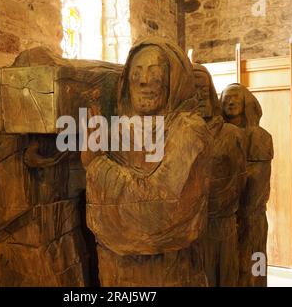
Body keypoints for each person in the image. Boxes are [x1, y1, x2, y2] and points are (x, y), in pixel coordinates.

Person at [82, 37, 213, 286]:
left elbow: (161, 209)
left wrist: (97, 165)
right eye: (137, 73)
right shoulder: (124, 130)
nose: (144, 81)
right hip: (117, 271)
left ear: (173, 80)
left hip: (167, 273)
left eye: (155, 73)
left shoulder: (188, 130)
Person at [193, 65, 246, 287]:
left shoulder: (232, 135)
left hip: (222, 221)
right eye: (192, 89)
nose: (199, 94)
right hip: (191, 226)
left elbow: (240, 180)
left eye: (203, 88)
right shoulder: (175, 135)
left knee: (225, 274)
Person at [221, 83, 274, 287]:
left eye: (235, 97)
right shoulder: (219, 136)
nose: (231, 102)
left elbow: (256, 181)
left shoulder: (260, 136)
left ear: (246, 102)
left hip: (251, 219)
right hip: (226, 220)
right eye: (226, 98)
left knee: (254, 265)